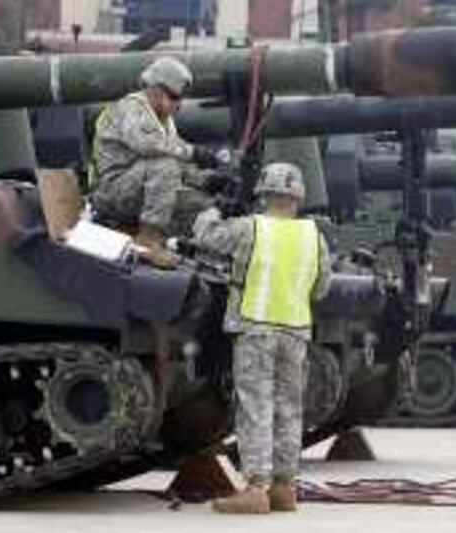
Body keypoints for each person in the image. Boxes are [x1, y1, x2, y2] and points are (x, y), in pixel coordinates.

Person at [191, 162, 331, 514]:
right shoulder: (314, 236)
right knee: (289, 409)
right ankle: (285, 487)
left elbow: (204, 237)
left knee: (256, 407)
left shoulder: (249, 228)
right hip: (296, 331)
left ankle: (255, 488)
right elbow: (322, 287)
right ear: (298, 197)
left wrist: (214, 208)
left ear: (264, 195)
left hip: (256, 327)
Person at [90, 56, 226, 265]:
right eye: (174, 96)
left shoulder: (164, 122)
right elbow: (150, 146)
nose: (178, 104)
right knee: (164, 166)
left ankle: (188, 246)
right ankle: (148, 241)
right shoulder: (131, 108)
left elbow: (179, 165)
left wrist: (207, 181)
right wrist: (195, 153)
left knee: (200, 202)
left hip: (137, 189)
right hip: (111, 192)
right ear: (155, 89)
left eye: (180, 98)